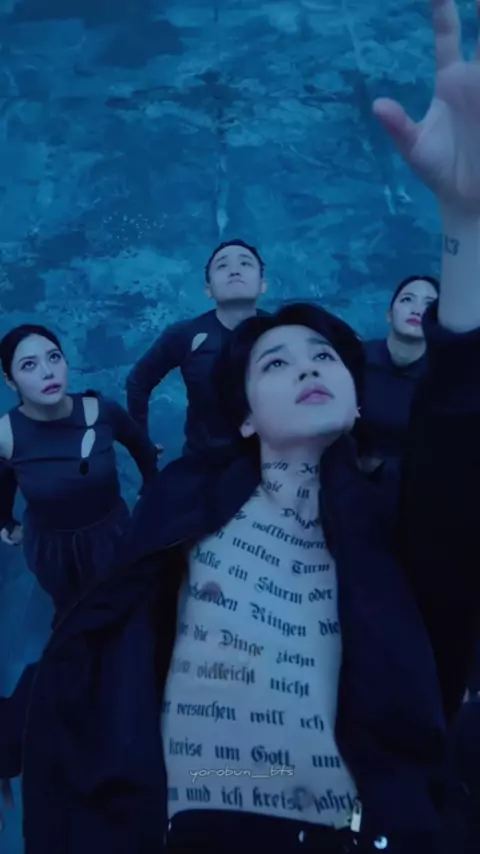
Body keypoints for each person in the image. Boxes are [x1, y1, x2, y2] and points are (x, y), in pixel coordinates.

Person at [5, 1, 480, 851]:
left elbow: (457, 424)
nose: (306, 366)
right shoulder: (186, 503)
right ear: (248, 417)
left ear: (357, 400)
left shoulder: (393, 522)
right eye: (275, 362)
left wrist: (465, 229)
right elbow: (104, 639)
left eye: (324, 356)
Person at [0, 323, 158, 619]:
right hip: (51, 548)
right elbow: (2, 483)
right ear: (11, 382)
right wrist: (5, 522)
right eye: (29, 365)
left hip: (110, 532)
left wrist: (150, 486)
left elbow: (140, 445)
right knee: (70, 612)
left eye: (54, 357)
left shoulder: (102, 411)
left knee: (124, 604)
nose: (47, 372)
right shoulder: (6, 435)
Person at [126, 239, 268, 455]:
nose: (234, 271)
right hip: (204, 462)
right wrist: (141, 445)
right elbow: (137, 383)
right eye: (222, 265)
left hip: (270, 460)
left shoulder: (281, 332)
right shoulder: (185, 335)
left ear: (262, 285)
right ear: (208, 290)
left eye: (245, 263)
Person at [358, 275, 439, 510]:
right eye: (407, 299)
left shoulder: (444, 378)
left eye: (429, 304)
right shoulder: (355, 358)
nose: (417, 309)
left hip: (411, 493)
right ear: (388, 314)